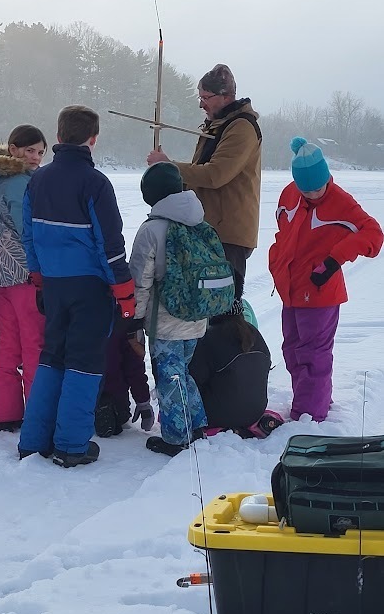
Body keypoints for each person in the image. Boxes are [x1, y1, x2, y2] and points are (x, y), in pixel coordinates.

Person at [17, 105, 135, 467]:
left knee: (53, 357)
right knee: (84, 363)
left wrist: (38, 276)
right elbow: (110, 244)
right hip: (89, 287)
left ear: (57, 136)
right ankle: (71, 445)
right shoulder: (95, 183)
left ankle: (34, 440)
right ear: (93, 140)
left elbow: (28, 234)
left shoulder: (37, 180)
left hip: (52, 284)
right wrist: (125, 291)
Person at [269, 137, 383, 422]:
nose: (313, 194)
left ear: (326, 177)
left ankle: (310, 415)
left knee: (313, 355)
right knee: (293, 351)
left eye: (318, 188)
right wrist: (276, 262)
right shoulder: (289, 195)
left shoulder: (341, 202)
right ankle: (310, 400)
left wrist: (334, 260)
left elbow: (374, 235)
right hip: (290, 290)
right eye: (306, 189)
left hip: (320, 293)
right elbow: (282, 234)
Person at [147, 64, 261, 297]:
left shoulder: (242, 128)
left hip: (228, 233)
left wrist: (169, 166)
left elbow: (215, 174)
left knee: (224, 307)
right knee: (204, 306)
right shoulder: (216, 125)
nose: (201, 104)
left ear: (226, 96)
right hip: (209, 228)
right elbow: (199, 173)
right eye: (200, 97)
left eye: (206, 97)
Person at [0, 125, 47, 432]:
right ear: (13, 149)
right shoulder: (20, 184)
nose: (36, 158)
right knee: (33, 345)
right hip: (25, 273)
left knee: (7, 345)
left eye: (41, 152)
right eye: (30, 151)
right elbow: (26, 229)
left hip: (1, 275)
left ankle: (7, 410)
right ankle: (37, 414)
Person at [129, 163, 208, 456]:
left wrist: (133, 319)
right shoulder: (199, 220)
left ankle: (176, 438)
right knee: (183, 372)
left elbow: (140, 280)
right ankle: (196, 424)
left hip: (166, 321)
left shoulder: (152, 229)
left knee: (169, 377)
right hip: (197, 315)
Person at [188, 302, 282, 437]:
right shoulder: (253, 332)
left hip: (219, 416)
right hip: (256, 411)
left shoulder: (209, 337)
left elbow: (194, 379)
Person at [94, 318, 154, 437]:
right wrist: (143, 402)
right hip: (115, 390)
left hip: (84, 389)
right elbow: (134, 368)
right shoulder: (130, 326)